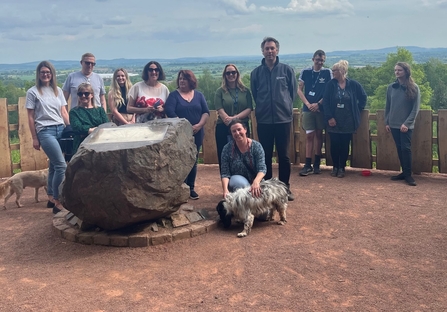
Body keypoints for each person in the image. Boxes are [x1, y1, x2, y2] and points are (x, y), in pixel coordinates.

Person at [250, 36, 297, 201]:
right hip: (264, 120)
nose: (270, 51)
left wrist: (285, 108)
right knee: (266, 155)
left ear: (277, 50)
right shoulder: (256, 73)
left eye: (272, 48)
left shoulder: (287, 70)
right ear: (262, 51)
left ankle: (284, 190)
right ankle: (268, 189)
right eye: (267, 48)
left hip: (283, 119)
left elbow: (292, 93)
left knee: (284, 156)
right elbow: (255, 94)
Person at [26, 61, 69, 214]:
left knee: (53, 165)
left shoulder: (57, 90)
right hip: (45, 131)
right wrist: (34, 137)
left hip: (60, 129)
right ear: (38, 74)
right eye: (43, 72)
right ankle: (58, 202)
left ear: (52, 74)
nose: (45, 74)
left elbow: (63, 111)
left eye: (48, 72)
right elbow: (30, 116)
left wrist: (69, 127)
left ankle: (51, 196)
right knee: (61, 166)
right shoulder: (33, 92)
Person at [164, 70, 210, 200]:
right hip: (180, 134)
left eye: (184, 79)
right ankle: (180, 187)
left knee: (193, 160)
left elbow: (206, 112)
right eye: (180, 79)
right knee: (180, 160)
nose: (182, 81)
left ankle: (191, 188)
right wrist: (184, 127)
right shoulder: (174, 96)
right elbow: (170, 111)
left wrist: (199, 125)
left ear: (191, 81)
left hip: (197, 132)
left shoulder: (199, 95)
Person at [323, 60, 367, 178]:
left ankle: (342, 167)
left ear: (342, 71)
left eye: (335, 70)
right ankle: (335, 166)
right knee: (335, 144)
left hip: (348, 120)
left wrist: (357, 109)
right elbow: (326, 102)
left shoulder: (353, 84)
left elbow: (363, 97)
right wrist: (330, 117)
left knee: (345, 144)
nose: (332, 72)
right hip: (333, 120)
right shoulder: (330, 85)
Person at [297, 50, 332, 176]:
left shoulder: (327, 72)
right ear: (313, 59)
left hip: (321, 108)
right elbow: (299, 90)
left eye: (322, 60)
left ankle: (316, 164)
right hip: (307, 109)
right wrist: (308, 104)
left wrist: (318, 104)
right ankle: (307, 164)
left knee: (319, 135)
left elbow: (329, 91)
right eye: (318, 59)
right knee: (309, 136)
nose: (320, 62)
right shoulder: (305, 72)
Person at [385, 62, 421, 186]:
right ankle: (404, 173)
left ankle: (408, 175)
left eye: (399, 70)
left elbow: (415, 109)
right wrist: (387, 121)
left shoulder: (414, 87)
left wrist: (407, 123)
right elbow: (388, 106)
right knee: (400, 149)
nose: (397, 72)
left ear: (406, 71)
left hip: (406, 126)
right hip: (393, 124)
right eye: (395, 70)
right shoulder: (391, 87)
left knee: (406, 149)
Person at [214, 64, 253, 171]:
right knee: (225, 155)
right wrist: (228, 120)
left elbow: (249, 108)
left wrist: (234, 119)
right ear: (225, 75)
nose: (231, 75)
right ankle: (226, 181)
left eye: (233, 72)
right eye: (228, 73)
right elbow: (219, 108)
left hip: (242, 127)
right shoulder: (220, 91)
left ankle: (244, 179)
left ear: (237, 74)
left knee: (243, 153)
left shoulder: (245, 91)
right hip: (223, 126)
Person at [220, 119, 266, 199]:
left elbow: (262, 169)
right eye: (234, 131)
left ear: (245, 129)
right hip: (238, 181)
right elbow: (225, 173)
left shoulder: (256, 146)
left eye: (239, 129)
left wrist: (256, 182)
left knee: (264, 209)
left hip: (255, 179)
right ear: (231, 133)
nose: (237, 133)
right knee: (241, 186)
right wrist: (225, 190)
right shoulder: (227, 149)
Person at [69, 83, 109, 154]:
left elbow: (106, 126)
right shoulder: (74, 112)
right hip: (81, 146)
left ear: (92, 95)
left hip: (100, 145)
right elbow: (77, 128)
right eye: (80, 94)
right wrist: (97, 130)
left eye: (86, 93)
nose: (83, 96)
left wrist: (86, 131)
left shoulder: (100, 110)